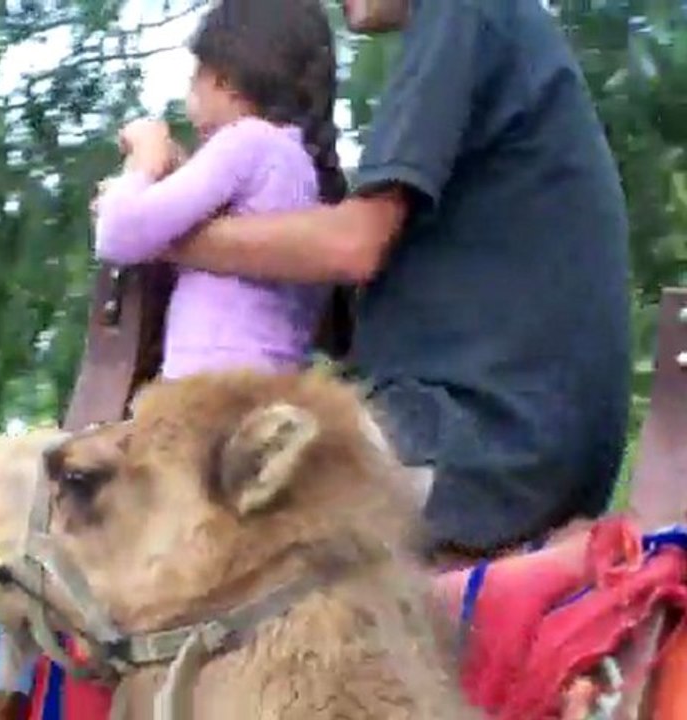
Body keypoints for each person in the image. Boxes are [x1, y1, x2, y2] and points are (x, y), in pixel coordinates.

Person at [0, 0, 349, 716]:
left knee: (10, 517)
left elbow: (123, 234)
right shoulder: (308, 175)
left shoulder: (248, 144)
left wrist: (144, 158)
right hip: (248, 427)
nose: (191, 94)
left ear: (225, 78)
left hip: (188, 425)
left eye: (196, 76)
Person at [163, 0, 631, 558]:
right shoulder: (490, 30)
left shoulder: (460, 13)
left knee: (193, 494)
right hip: (504, 436)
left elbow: (353, 245)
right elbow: (344, 306)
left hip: (483, 443)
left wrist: (170, 234)